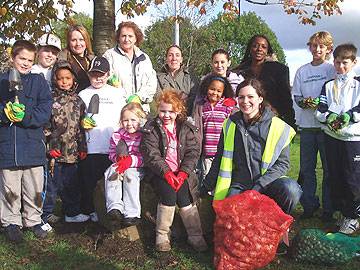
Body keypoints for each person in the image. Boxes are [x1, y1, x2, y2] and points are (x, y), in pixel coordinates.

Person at [200, 78, 302, 216]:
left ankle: (278, 224)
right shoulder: (230, 124)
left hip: (269, 183)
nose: (245, 101)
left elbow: (283, 164)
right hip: (240, 184)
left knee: (291, 189)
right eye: (241, 97)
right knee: (232, 217)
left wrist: (258, 187)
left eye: (250, 97)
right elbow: (219, 159)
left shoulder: (277, 126)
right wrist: (204, 187)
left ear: (260, 99)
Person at [140, 89, 208, 252]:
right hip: (160, 173)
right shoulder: (151, 128)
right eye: (163, 111)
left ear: (178, 111)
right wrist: (167, 173)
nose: (166, 115)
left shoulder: (186, 127)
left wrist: (184, 172)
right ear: (158, 110)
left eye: (171, 111)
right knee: (169, 194)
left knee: (185, 196)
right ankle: (162, 235)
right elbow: (151, 154)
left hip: (180, 172)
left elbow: (193, 152)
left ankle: (195, 236)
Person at [0, 40, 52, 243]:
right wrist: (5, 114)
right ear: (13, 57)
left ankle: (33, 220)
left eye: (30, 60)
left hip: (33, 145)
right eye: (22, 58)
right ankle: (11, 223)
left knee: (34, 187)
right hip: (8, 145)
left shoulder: (39, 82)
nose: (26, 63)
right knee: (9, 188)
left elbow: (45, 110)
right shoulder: (2, 81)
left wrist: (24, 116)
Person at [315, 43, 360, 234]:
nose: (340, 66)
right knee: (335, 176)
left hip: (353, 139)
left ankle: (353, 216)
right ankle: (344, 213)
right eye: (337, 62)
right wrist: (328, 117)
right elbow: (320, 109)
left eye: (345, 63)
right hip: (332, 137)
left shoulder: (358, 84)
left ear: (354, 62)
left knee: (352, 178)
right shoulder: (328, 85)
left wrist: (350, 116)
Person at [292, 31, 336, 221]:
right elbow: (297, 96)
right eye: (314, 45)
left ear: (328, 49)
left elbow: (335, 95)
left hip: (327, 127)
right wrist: (305, 102)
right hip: (307, 127)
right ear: (309, 47)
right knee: (307, 169)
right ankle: (309, 205)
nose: (317, 49)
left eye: (321, 46)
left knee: (329, 169)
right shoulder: (302, 71)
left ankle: (329, 208)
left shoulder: (332, 69)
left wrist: (321, 102)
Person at [78, 56, 127, 222]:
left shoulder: (118, 93)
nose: (97, 78)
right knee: (90, 181)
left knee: (111, 181)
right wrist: (81, 123)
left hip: (111, 147)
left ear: (108, 75)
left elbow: (125, 117)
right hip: (91, 146)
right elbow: (76, 118)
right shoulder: (83, 94)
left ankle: (112, 211)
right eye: (93, 74)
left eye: (101, 74)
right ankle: (91, 210)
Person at [42, 60, 89, 224]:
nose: (64, 82)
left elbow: (81, 127)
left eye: (68, 78)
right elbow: (45, 127)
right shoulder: (49, 100)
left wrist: (82, 147)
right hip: (55, 154)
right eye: (61, 78)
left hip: (73, 153)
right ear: (55, 79)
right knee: (51, 187)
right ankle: (45, 214)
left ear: (73, 79)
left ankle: (72, 212)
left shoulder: (78, 101)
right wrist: (49, 147)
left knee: (71, 184)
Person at [233, 34, 296, 129]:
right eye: (255, 46)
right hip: (245, 119)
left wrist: (289, 121)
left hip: (272, 119)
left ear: (267, 51)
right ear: (250, 49)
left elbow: (285, 98)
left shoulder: (280, 69)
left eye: (264, 47)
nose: (259, 49)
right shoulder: (238, 71)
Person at [105, 102, 146, 227]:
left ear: (141, 120)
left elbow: (147, 157)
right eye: (125, 120)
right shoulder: (117, 136)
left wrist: (130, 161)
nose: (129, 124)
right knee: (111, 171)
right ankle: (114, 207)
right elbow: (111, 152)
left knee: (130, 176)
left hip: (138, 166)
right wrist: (117, 159)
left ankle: (132, 213)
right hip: (121, 163)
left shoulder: (144, 136)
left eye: (133, 120)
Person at [103, 21, 157, 113]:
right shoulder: (109, 55)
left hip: (141, 110)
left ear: (136, 38)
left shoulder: (144, 58)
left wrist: (139, 97)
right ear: (118, 38)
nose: (126, 39)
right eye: (123, 36)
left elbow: (152, 84)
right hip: (118, 110)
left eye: (130, 36)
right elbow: (105, 78)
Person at [192, 75, 237, 182]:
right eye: (212, 89)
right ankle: (207, 197)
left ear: (223, 92)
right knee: (207, 177)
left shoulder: (228, 106)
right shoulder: (201, 105)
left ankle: (220, 198)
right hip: (207, 151)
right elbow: (197, 127)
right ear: (207, 88)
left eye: (219, 91)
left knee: (223, 178)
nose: (215, 93)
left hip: (223, 151)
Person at [157, 45, 199, 115]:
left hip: (186, 117)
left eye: (177, 55)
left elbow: (195, 99)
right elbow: (158, 99)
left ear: (181, 59)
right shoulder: (158, 78)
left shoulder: (191, 77)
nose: (174, 58)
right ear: (166, 59)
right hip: (165, 117)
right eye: (170, 55)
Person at [58, 25, 94, 92]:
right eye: (73, 40)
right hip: (70, 99)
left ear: (86, 41)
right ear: (69, 42)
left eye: (81, 40)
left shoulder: (93, 60)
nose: (78, 43)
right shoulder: (62, 61)